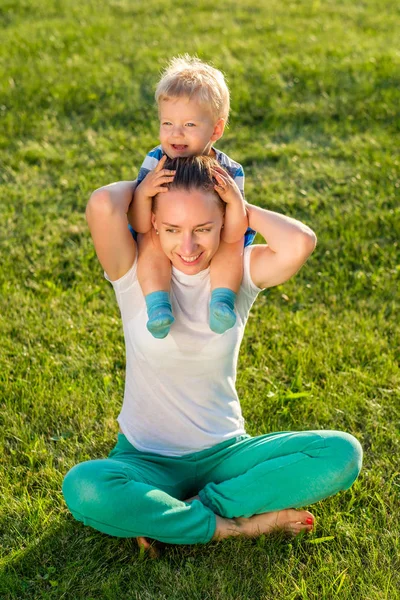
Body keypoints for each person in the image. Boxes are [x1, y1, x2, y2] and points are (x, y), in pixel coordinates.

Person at [62, 156, 363, 554]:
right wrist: (144, 188)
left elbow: (300, 242)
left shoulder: (236, 271)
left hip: (226, 453)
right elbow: (102, 205)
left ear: (224, 224)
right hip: (145, 460)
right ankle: (234, 527)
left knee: (342, 453)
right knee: (84, 486)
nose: (187, 247)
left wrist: (240, 208)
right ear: (153, 223)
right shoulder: (132, 269)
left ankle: (182, 514)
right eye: (172, 229)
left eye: (203, 229)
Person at [129, 55, 255, 339]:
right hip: (164, 232)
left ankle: (222, 301)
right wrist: (143, 192)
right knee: (149, 241)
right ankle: (158, 305)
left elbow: (236, 230)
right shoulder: (156, 161)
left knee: (230, 244)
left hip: (215, 236)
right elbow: (140, 223)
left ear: (216, 129)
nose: (176, 134)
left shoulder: (230, 171)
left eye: (189, 125)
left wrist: (234, 201)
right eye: (167, 123)